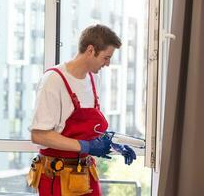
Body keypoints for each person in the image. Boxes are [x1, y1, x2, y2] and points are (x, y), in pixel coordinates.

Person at [27, 24, 135, 196]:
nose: (107, 64)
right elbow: (38, 135)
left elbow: (89, 130)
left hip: (85, 172)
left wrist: (113, 146)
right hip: (57, 175)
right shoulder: (54, 80)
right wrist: (85, 145)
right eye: (106, 58)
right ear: (90, 50)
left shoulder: (93, 80)